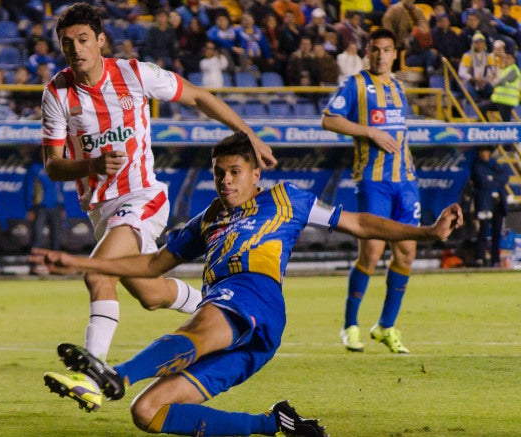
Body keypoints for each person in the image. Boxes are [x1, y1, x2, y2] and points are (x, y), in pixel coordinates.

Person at [31, 131, 463, 435]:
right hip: (251, 338)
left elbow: (359, 222)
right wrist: (74, 261)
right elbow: (150, 266)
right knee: (149, 412)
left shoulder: (287, 199)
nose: (226, 181)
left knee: (204, 324)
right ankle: (274, 424)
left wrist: (427, 233)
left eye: (235, 171)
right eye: (219, 173)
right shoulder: (207, 219)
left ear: (256, 173)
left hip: (254, 297)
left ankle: (115, 378)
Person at [40, 2, 277, 412]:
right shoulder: (57, 92)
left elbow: (200, 96)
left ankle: (90, 378)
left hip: (142, 198)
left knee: (98, 275)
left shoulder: (134, 74)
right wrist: (92, 165)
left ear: (100, 41)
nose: (76, 49)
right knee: (150, 296)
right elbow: (53, 166)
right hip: (101, 209)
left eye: (83, 40)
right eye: (67, 43)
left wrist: (248, 135)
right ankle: (209, 302)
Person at [321, 28, 421, 354]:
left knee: (406, 253)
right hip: (373, 180)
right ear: (368, 52)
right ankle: (350, 325)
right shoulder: (355, 85)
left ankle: (386, 326)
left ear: (395, 54)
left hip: (405, 181)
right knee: (372, 253)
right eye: (375, 50)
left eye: (387, 50)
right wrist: (370, 133)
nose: (380, 55)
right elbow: (329, 119)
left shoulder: (399, 87)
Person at [24, 153, 65, 275]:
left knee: (56, 238)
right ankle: (33, 266)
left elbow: (60, 188)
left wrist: (63, 205)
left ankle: (55, 266)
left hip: (56, 207)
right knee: (37, 238)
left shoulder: (57, 167)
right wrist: (30, 208)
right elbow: (28, 189)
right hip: (40, 208)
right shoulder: (34, 168)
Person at [471, 145, 510, 267]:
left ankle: (495, 259)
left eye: (485, 150)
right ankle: (480, 258)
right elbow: (483, 182)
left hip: (498, 202)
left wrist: (492, 179)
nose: (483, 153)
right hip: (484, 202)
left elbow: (505, 178)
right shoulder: (477, 165)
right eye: (481, 151)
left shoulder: (496, 164)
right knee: (483, 230)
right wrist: (495, 179)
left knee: (497, 232)